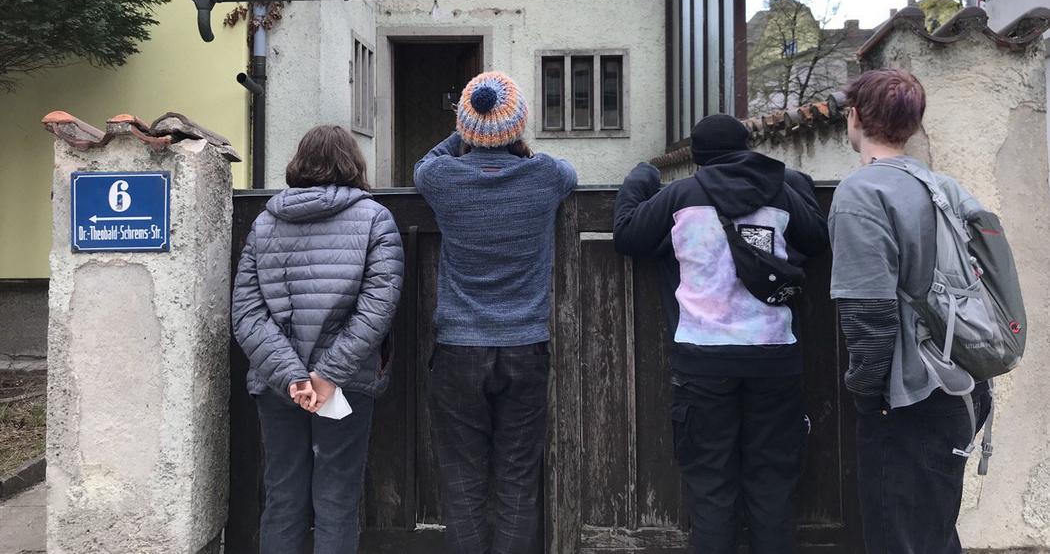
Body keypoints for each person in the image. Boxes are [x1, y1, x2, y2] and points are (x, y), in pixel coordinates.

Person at [613, 114, 828, 554]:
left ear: (697, 156)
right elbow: (817, 237)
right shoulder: (782, 193)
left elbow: (628, 236)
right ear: (746, 147)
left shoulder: (680, 195)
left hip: (702, 360)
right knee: (772, 485)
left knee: (710, 486)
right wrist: (792, 179)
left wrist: (641, 177)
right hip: (774, 356)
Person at [414, 71, 577, 554]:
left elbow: (425, 162)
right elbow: (568, 171)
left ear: (464, 125)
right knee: (518, 476)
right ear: (519, 125)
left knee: (462, 479)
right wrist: (512, 139)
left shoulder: (442, 178)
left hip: (459, 347)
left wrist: (464, 132)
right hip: (525, 345)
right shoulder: (546, 176)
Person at [830, 69, 990, 554]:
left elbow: (869, 313)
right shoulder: (945, 187)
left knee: (899, 538)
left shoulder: (862, 193)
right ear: (914, 125)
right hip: (963, 382)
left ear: (855, 117)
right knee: (933, 534)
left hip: (908, 395)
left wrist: (866, 393)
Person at [232, 124, 404, 554]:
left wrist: (292, 377)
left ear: (299, 163)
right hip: (346, 384)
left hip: (277, 385)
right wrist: (326, 376)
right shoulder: (375, 218)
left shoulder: (265, 222)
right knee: (337, 499)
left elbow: (247, 313)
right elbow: (377, 308)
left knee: (283, 496)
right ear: (353, 163)